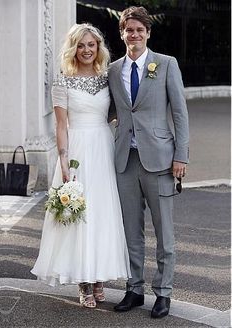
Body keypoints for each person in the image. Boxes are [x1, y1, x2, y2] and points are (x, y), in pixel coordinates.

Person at [31, 23, 131, 309]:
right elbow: (61, 125)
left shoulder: (107, 77)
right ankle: (84, 283)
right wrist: (63, 159)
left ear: (98, 48)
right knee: (79, 214)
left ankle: (98, 277)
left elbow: (119, 112)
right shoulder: (62, 81)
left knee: (102, 212)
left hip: (103, 147)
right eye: (81, 45)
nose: (87, 50)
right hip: (77, 150)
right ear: (73, 48)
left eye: (92, 45)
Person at [108, 6, 189, 318]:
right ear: (122, 33)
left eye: (140, 30)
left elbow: (180, 114)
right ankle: (134, 288)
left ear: (148, 33)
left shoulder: (165, 65)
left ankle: (163, 293)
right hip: (125, 161)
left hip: (160, 160)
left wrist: (181, 155)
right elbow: (111, 110)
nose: (135, 35)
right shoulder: (114, 70)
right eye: (129, 29)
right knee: (131, 230)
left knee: (164, 233)